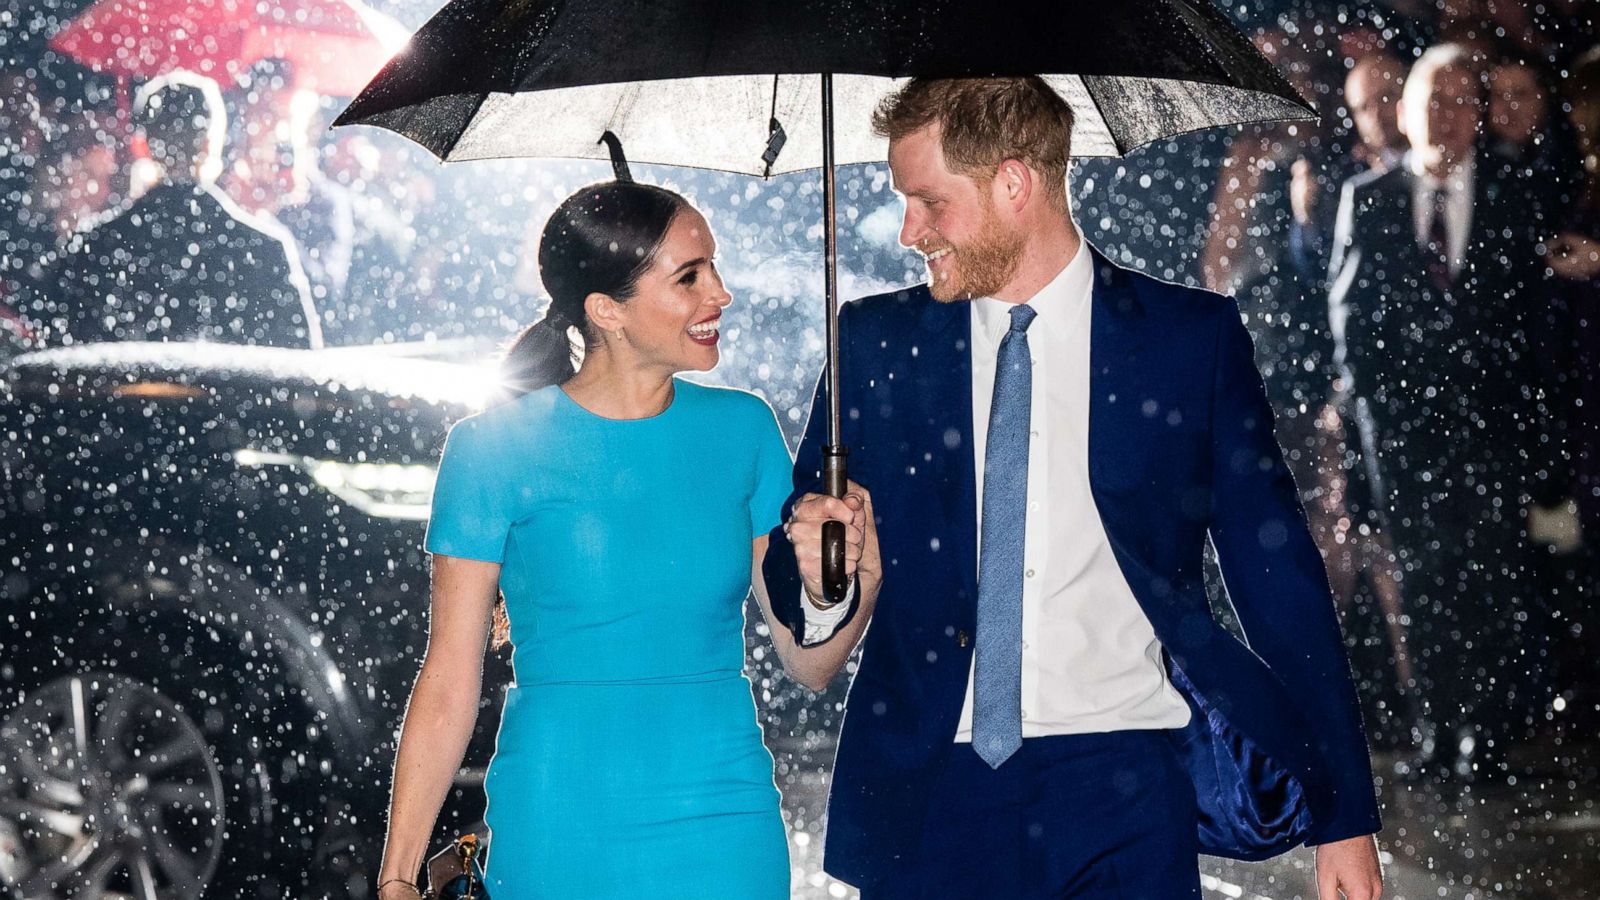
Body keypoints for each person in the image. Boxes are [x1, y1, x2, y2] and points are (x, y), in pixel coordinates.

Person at [764, 76, 1383, 900]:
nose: (909, 230)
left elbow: (1281, 581)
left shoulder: (1186, 340)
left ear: (1014, 185)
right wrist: (817, 573)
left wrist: (1345, 814)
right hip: (931, 791)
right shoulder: (874, 344)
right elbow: (802, 573)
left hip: (1129, 783)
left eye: (928, 201)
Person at [374, 180, 880, 900]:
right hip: (559, 824)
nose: (722, 294)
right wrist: (397, 876)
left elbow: (812, 664)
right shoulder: (491, 451)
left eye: (715, 267)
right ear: (607, 310)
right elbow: (451, 678)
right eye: (690, 277)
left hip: (726, 822)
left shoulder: (745, 431)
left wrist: (859, 579)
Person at [1327, 44, 1564, 778]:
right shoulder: (1368, 196)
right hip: (1403, 436)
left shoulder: (1516, 192)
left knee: (1492, 578)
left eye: (1465, 100)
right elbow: (1349, 322)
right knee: (1423, 583)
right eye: (1436, 99)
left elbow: (1534, 322)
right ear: (1405, 111)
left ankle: (1484, 738)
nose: (1450, 115)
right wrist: (1374, 419)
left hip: (1494, 428)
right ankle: (1435, 730)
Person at [41, 71, 320, 348]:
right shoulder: (262, 248)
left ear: (144, 146)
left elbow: (60, 354)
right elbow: (300, 364)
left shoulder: (95, 246)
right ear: (212, 144)